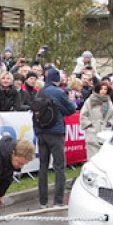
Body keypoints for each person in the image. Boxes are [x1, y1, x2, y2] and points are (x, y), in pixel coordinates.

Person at [34, 68, 75, 208]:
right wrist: (70, 102)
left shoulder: (40, 91)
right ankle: (58, 201)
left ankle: (43, 201)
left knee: (43, 167)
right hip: (55, 132)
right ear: (57, 79)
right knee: (59, 166)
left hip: (41, 132)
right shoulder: (59, 92)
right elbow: (71, 110)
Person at [80, 82, 113, 159]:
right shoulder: (90, 101)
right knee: (92, 155)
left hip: (104, 130)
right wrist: (89, 126)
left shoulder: (108, 102)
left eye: (105, 89)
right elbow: (83, 114)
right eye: (101, 88)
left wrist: (109, 124)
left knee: (103, 155)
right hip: (93, 130)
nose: (103, 91)